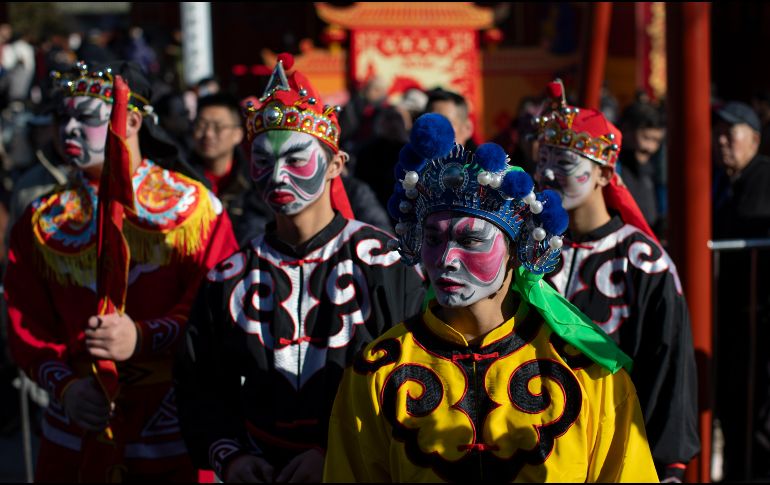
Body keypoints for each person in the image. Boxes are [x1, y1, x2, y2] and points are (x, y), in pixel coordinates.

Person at [324, 113, 658, 482]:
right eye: (433, 239)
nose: (446, 260)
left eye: (470, 240)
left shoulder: (588, 373)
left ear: (515, 252)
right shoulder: (376, 370)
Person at [174, 53, 426, 483]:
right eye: (262, 159)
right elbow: (200, 383)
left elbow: (418, 375)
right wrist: (230, 456)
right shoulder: (228, 275)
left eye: (295, 159)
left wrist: (336, 451)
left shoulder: (387, 263)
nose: (276, 175)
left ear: (335, 165)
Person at [3, 60, 238, 482]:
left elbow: (218, 303)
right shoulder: (41, 219)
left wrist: (145, 335)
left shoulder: (195, 208)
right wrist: (66, 387)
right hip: (77, 415)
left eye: (86, 116)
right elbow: (25, 318)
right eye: (63, 116)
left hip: (172, 417)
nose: (70, 128)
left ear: (131, 119)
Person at [534, 79, 699, 482]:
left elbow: (668, 367)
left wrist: (668, 465)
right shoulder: (525, 248)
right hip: (534, 445)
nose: (549, 174)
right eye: (543, 160)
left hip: (618, 447)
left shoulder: (643, 262)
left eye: (566, 163)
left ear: (605, 174)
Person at [711, 101, 770, 479]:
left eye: (730, 134)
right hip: (732, 317)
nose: (721, 142)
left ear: (754, 140)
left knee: (756, 407)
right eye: (718, 134)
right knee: (733, 408)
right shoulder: (723, 182)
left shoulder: (762, 178)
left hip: (756, 315)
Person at [190, 92, 272, 245]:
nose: (208, 134)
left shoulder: (255, 183)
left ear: (238, 134)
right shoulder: (181, 179)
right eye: (201, 125)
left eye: (218, 127)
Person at [617, 100, 666, 234]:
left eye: (656, 141)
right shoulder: (613, 168)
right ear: (626, 131)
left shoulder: (656, 168)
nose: (650, 148)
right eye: (646, 138)